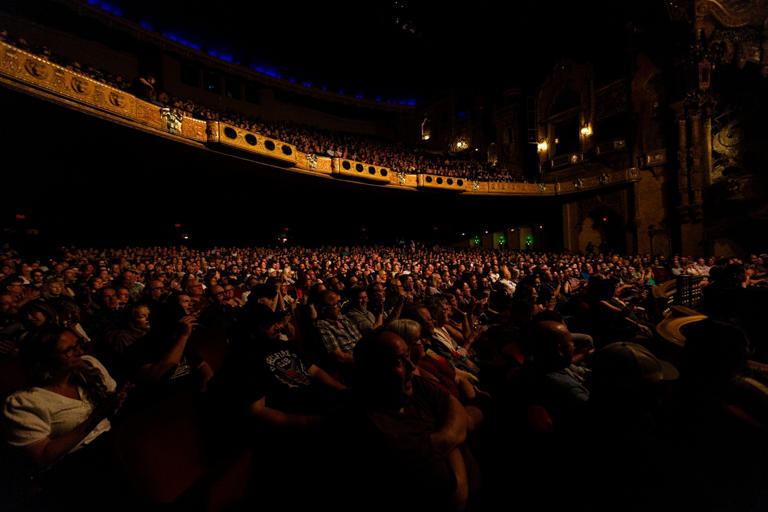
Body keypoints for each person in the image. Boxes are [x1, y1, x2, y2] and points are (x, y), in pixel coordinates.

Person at [3, 326, 129, 509]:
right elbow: (43, 456)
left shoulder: (88, 366)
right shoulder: (24, 402)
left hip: (112, 443)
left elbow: (111, 402)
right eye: (70, 350)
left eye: (78, 344)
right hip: (73, 467)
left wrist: (118, 401)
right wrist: (96, 416)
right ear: (45, 360)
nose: (80, 351)